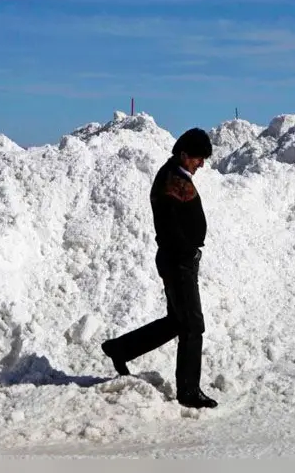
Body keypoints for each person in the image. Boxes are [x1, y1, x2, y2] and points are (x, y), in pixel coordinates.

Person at [101, 127, 218, 409]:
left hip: (178, 258)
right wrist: (187, 251)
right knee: (192, 325)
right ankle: (188, 392)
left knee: (178, 320)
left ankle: (121, 348)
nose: (201, 163)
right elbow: (169, 227)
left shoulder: (177, 176)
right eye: (198, 158)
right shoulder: (171, 180)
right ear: (183, 154)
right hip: (177, 260)